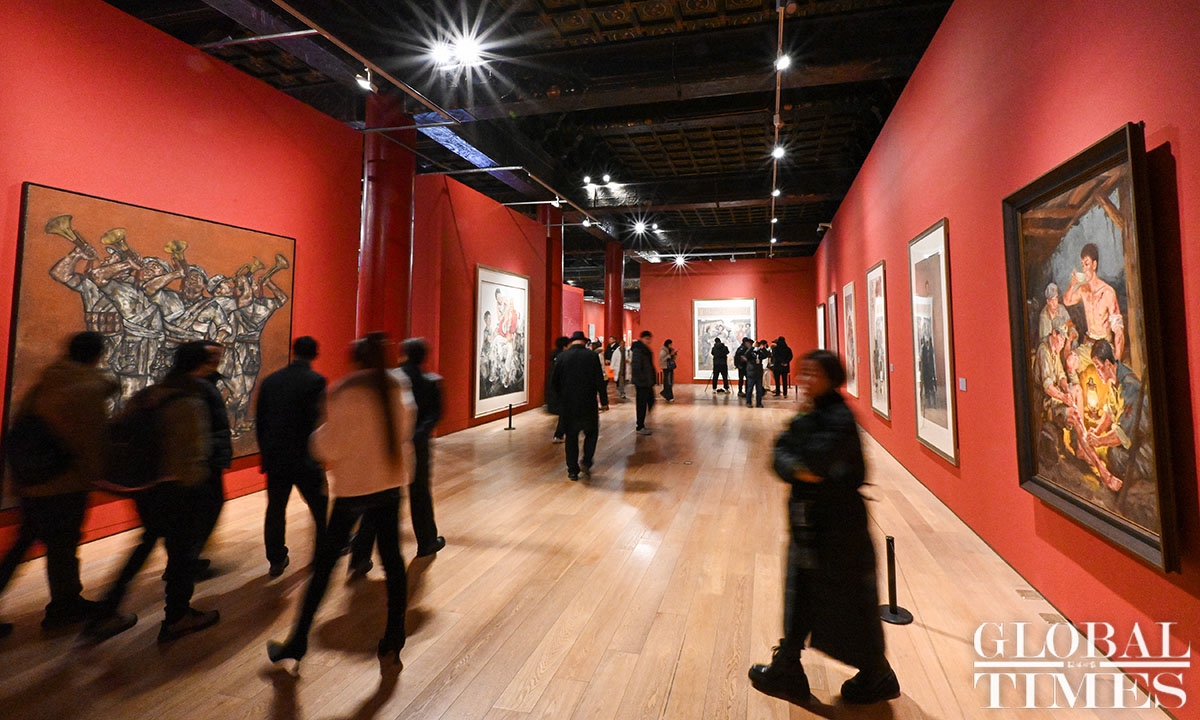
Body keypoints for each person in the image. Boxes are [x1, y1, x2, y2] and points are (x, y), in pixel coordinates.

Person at [749, 349, 899, 706]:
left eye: (813, 373)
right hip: (812, 523)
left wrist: (795, 457)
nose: (804, 380)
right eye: (803, 372)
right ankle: (788, 665)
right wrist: (794, 463)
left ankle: (876, 673)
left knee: (846, 601)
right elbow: (780, 455)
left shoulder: (837, 417)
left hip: (837, 528)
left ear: (832, 377)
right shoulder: (817, 413)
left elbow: (811, 463)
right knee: (800, 591)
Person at [268, 333, 414, 666]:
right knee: (393, 560)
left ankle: (299, 639)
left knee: (324, 566)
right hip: (389, 485)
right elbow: (405, 433)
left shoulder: (346, 391)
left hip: (353, 490)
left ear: (357, 358)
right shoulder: (398, 386)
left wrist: (316, 438)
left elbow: (328, 446)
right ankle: (394, 635)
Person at [82, 341, 220, 645]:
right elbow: (191, 455)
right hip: (175, 489)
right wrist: (200, 486)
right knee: (182, 555)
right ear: (200, 366)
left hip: (145, 488)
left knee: (144, 545)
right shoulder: (189, 400)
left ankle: (105, 610)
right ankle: (177, 617)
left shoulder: (150, 393)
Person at [0, 332, 118, 637]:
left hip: (33, 482)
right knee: (63, 546)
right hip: (63, 484)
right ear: (98, 356)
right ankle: (65, 606)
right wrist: (98, 478)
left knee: (24, 543)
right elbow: (91, 443)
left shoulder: (47, 381)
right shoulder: (86, 390)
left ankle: (65, 603)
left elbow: (20, 431)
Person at [349, 337, 446, 575]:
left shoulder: (391, 380)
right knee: (420, 494)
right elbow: (433, 416)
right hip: (416, 446)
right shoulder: (431, 382)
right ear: (423, 357)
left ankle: (360, 555)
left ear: (403, 354)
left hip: (389, 445)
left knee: (379, 498)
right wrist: (415, 436)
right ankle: (426, 542)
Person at [256, 336, 328, 578]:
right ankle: (321, 556)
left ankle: (276, 559)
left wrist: (266, 454)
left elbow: (261, 422)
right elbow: (319, 420)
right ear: (315, 354)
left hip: (277, 456)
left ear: (293, 351)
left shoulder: (271, 381)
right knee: (319, 508)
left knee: (276, 509)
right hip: (305, 456)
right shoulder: (316, 380)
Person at [550, 331, 609, 480]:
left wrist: (558, 402)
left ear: (572, 342)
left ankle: (572, 470)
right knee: (591, 433)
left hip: (568, 404)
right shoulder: (592, 356)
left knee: (571, 437)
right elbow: (599, 380)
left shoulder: (562, 357)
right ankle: (586, 461)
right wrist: (604, 401)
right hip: (588, 403)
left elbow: (554, 382)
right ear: (584, 341)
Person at [1063, 243, 1125, 360]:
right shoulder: (1083, 290)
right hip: (1088, 345)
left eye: (1087, 264)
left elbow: (1118, 330)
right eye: (1082, 265)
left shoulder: (1107, 292)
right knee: (1070, 361)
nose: (1084, 269)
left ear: (1094, 265)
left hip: (1104, 347)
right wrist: (1072, 285)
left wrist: (1117, 359)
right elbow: (1067, 301)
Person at [630, 330, 656, 435]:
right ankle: (640, 426)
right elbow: (636, 367)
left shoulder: (644, 350)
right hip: (642, 382)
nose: (649, 341)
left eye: (649, 339)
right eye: (647, 339)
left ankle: (641, 423)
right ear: (642, 338)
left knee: (650, 400)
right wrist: (641, 379)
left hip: (646, 381)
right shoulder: (638, 350)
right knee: (641, 404)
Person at [547, 336, 570, 442]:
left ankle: (559, 434)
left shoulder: (555, 356)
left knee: (564, 414)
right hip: (564, 388)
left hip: (558, 389)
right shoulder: (563, 357)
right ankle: (561, 434)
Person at [744, 339, 767, 408]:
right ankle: (748, 402)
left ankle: (759, 403)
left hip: (758, 373)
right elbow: (746, 354)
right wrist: (752, 347)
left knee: (759, 390)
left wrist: (763, 348)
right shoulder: (750, 352)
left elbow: (766, 355)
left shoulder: (759, 352)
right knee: (750, 389)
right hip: (751, 372)